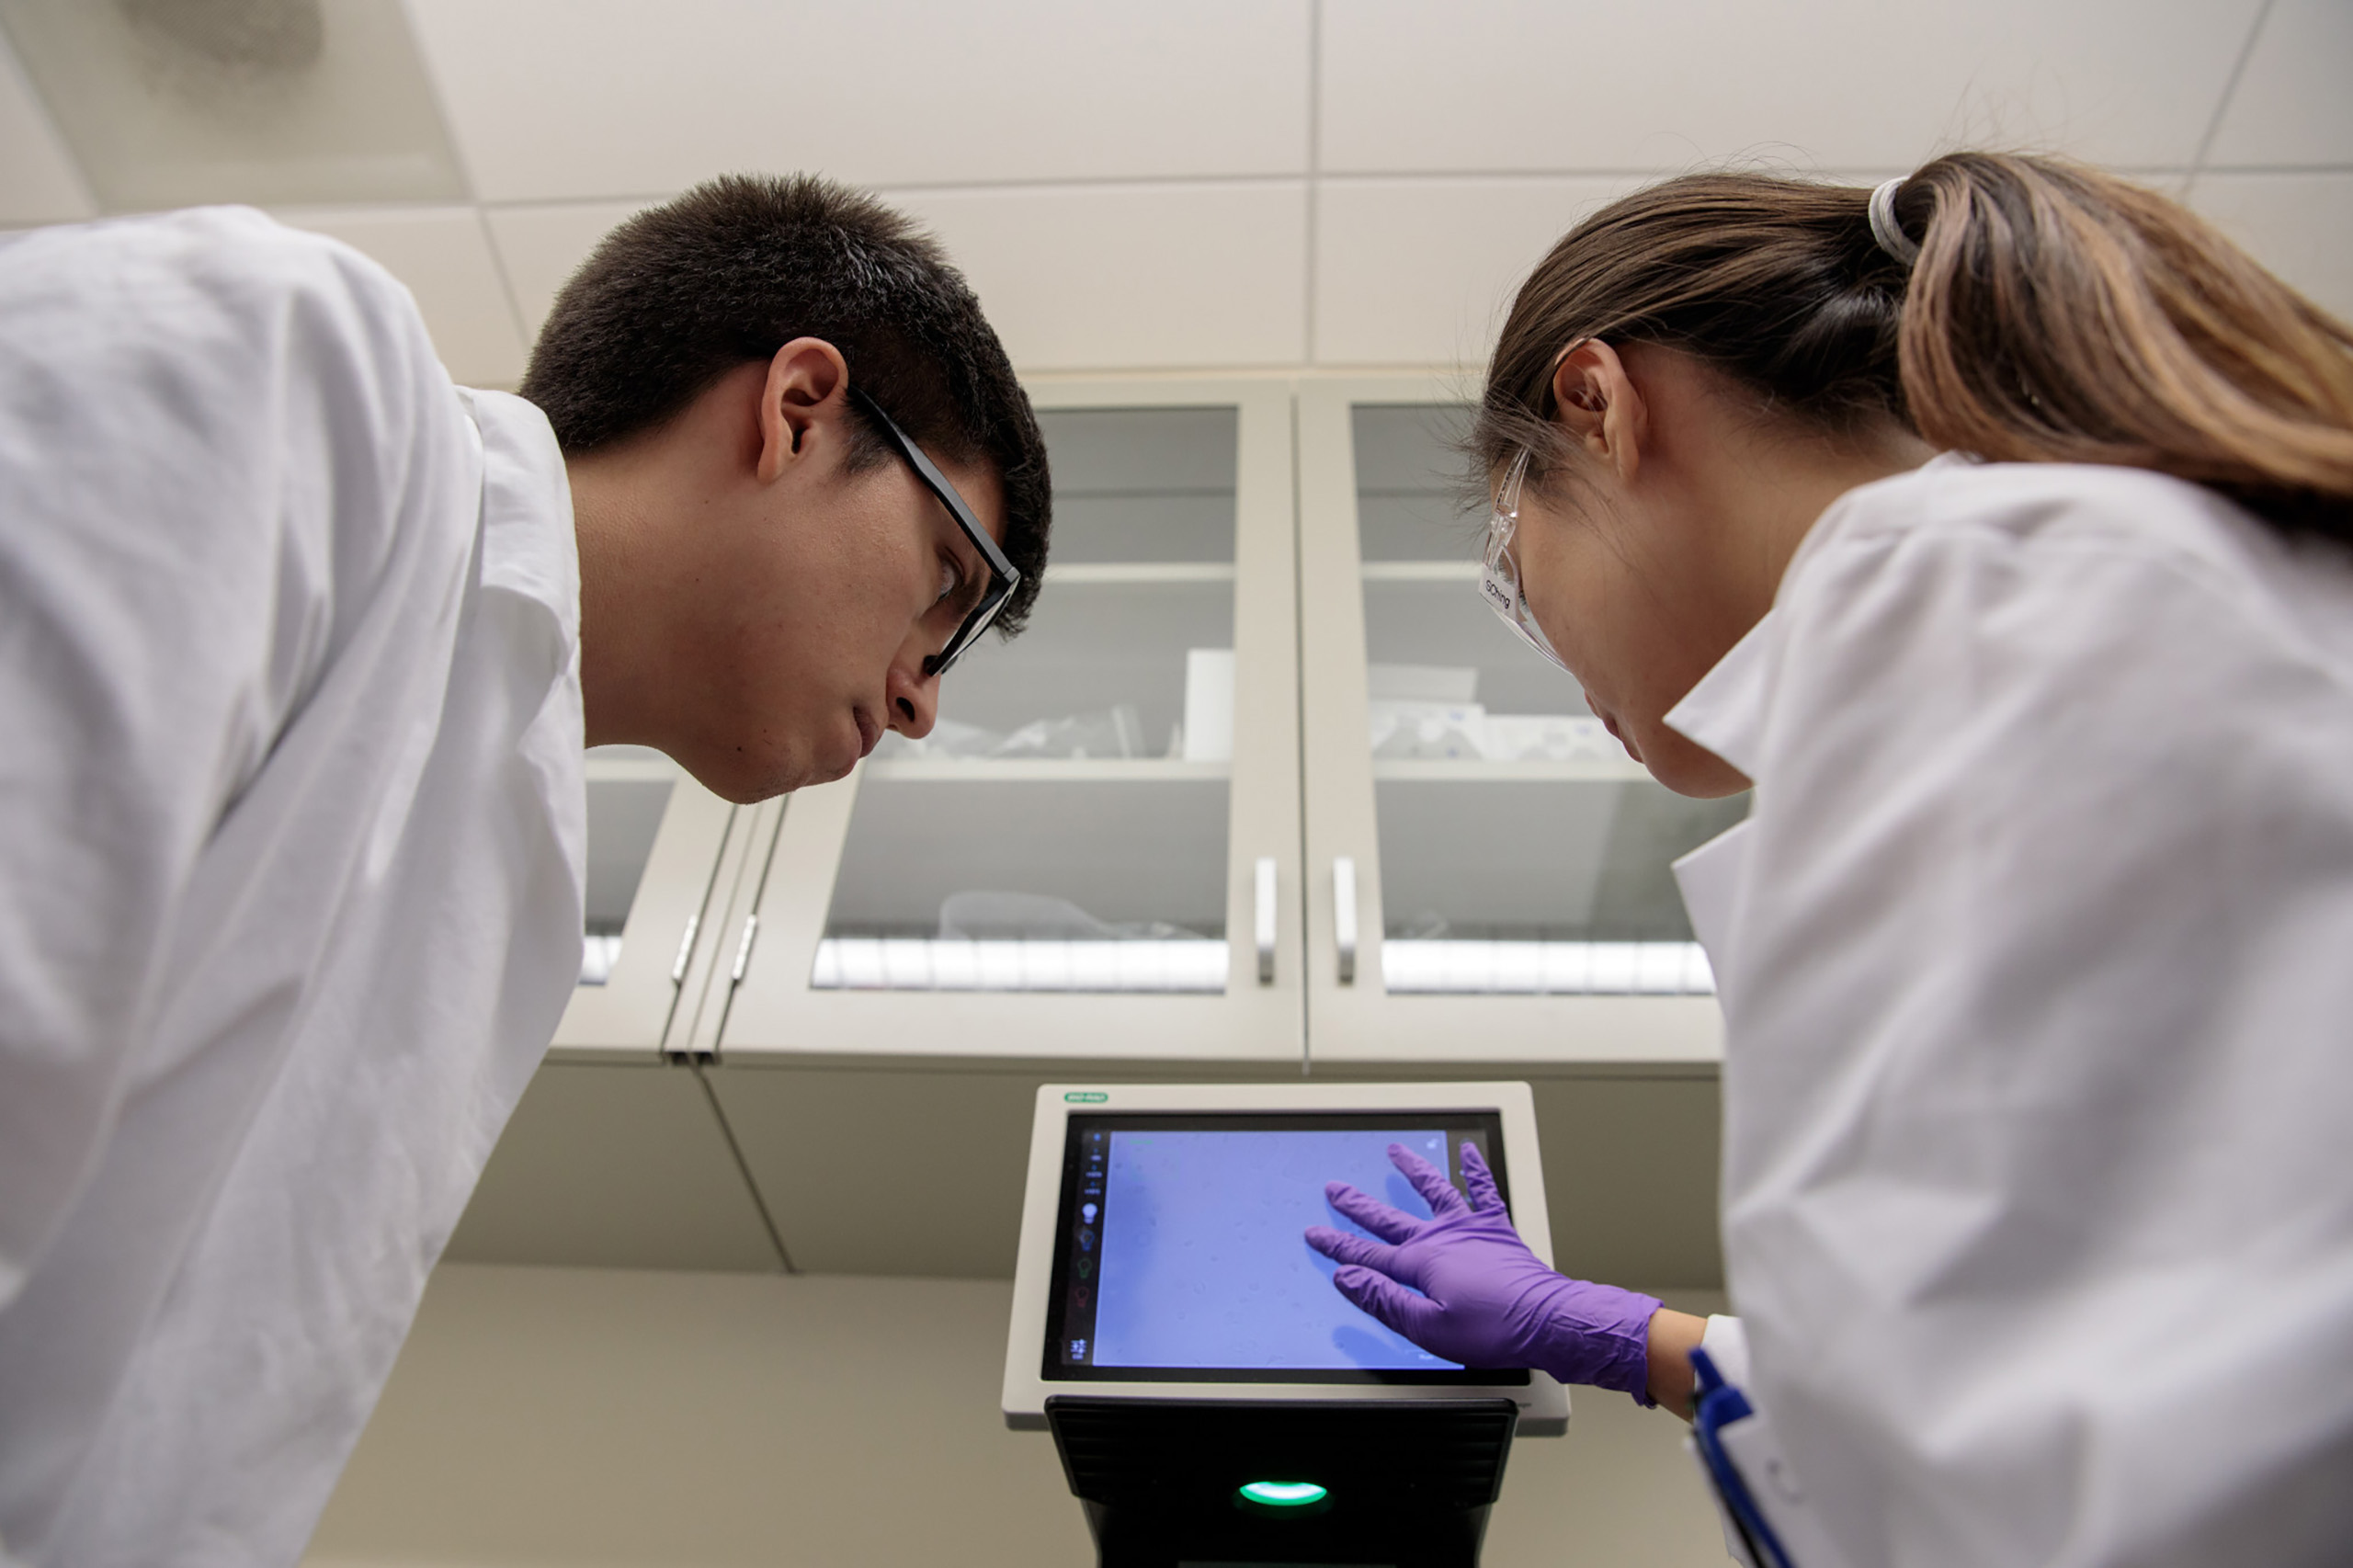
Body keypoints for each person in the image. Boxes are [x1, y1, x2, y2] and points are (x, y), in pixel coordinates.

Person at [1306, 153, 2353, 1565]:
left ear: (1598, 404)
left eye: (1512, 557)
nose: (1546, 646)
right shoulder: (2075, 572)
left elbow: (2069, 1484)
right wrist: (1626, 1337)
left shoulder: (1950, 598)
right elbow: (2129, 1327)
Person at [0, 174, 1049, 1567]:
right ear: (798, 412)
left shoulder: (511, 875)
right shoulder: (302, 381)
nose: (923, 701)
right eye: (947, 584)